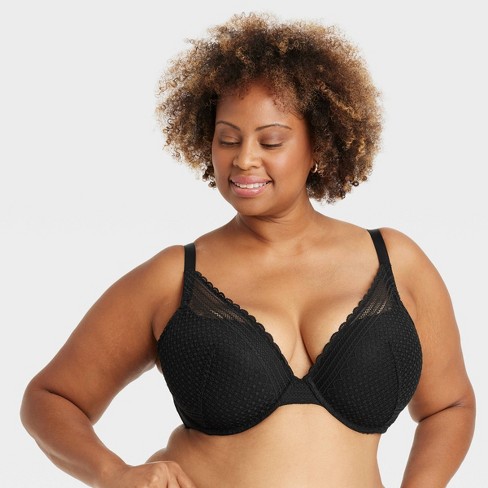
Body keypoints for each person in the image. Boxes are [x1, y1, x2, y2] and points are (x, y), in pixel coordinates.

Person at [20, 12, 475, 488]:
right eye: (228, 139)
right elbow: (50, 398)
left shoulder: (395, 263)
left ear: (319, 145)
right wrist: (113, 472)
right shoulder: (174, 277)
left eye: (271, 141)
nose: (243, 159)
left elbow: (449, 405)